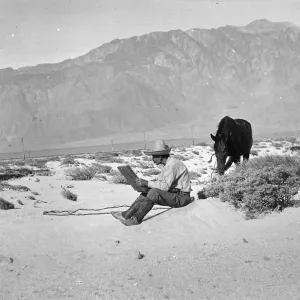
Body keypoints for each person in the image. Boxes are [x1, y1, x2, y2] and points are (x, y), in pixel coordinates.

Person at [111, 139, 193, 226]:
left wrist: (147, 183)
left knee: (154, 192)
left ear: (160, 157)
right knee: (147, 192)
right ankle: (126, 215)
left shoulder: (172, 166)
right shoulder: (169, 164)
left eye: (154, 157)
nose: (153, 159)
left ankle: (136, 219)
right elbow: (163, 184)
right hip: (175, 194)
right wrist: (146, 185)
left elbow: (164, 187)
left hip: (182, 198)